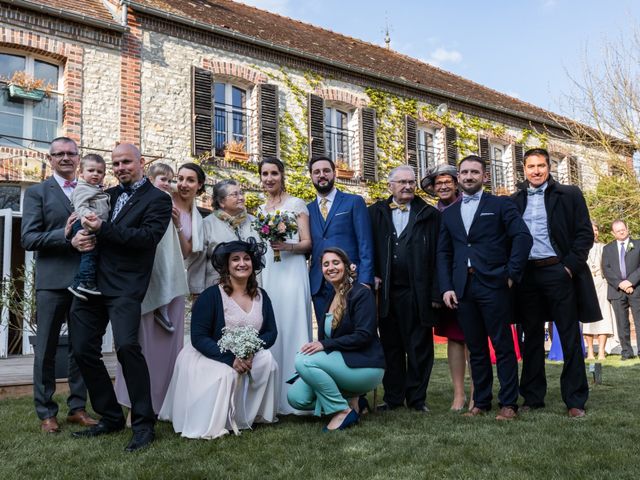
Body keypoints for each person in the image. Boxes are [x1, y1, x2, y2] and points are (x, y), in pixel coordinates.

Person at [69, 143, 172, 452]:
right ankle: (111, 415)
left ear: (141, 162)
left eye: (126, 161)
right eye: (115, 163)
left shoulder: (158, 200)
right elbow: (79, 220)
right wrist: (73, 238)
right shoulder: (108, 194)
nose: (120, 167)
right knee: (81, 348)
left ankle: (143, 424)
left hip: (126, 286)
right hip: (91, 285)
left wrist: (104, 228)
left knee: (127, 347)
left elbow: (146, 239)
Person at [437, 155, 532, 421]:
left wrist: (512, 273)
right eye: (464, 172)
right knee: (475, 348)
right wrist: (446, 287)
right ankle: (481, 402)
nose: (468, 176)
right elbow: (443, 253)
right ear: (459, 177)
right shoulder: (450, 212)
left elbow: (522, 237)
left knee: (502, 346)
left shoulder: (500, 204)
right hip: (462, 288)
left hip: (494, 284)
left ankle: (509, 403)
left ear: (484, 177)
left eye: (474, 172)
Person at [159, 239, 279, 439]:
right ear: (227, 266)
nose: (242, 263)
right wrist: (230, 358)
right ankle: (217, 421)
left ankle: (250, 416)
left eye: (247, 259)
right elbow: (199, 338)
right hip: (209, 354)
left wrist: (250, 351)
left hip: (247, 353)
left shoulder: (261, 296)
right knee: (226, 374)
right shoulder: (211, 296)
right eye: (235, 259)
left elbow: (271, 332)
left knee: (268, 361)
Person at [512, 148, 600, 418]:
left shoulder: (570, 194)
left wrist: (569, 267)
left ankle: (574, 400)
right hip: (528, 275)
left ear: (549, 167)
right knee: (532, 337)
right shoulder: (515, 200)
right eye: (530, 166)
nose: (536, 171)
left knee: (569, 335)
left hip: (559, 272)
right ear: (523, 169)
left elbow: (584, 233)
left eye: (540, 165)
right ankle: (533, 396)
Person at [21, 136, 96, 433]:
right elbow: (28, 238)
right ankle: (46, 412)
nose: (66, 157)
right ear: (50, 159)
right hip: (51, 283)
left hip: (84, 282)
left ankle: (77, 408)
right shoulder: (38, 192)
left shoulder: (89, 189)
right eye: (59, 154)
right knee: (47, 349)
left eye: (71, 153)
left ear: (78, 158)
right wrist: (65, 236)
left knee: (81, 348)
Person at [114, 162, 192, 415]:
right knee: (137, 347)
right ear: (149, 178)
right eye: (162, 179)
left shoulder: (175, 209)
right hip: (143, 282)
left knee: (167, 352)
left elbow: (185, 251)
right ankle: (133, 405)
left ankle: (166, 405)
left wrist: (178, 223)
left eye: (170, 180)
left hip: (171, 282)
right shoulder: (142, 203)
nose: (167, 184)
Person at [288, 248, 385, 431]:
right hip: (342, 365)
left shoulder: (361, 293)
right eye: (326, 264)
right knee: (296, 398)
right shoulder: (330, 298)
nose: (330, 267)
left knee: (303, 360)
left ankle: (341, 411)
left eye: (336, 263)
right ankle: (353, 400)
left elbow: (364, 335)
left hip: (365, 365)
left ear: (347, 267)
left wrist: (324, 344)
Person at [368, 165, 440, 413]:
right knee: (391, 346)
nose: (408, 186)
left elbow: (438, 255)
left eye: (411, 182)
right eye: (402, 182)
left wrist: (435, 291)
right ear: (390, 186)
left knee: (419, 346)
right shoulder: (375, 213)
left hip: (417, 291)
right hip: (387, 291)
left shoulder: (429, 214)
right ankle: (393, 397)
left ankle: (417, 399)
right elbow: (370, 249)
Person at [257, 157, 313, 415]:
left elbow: (307, 243)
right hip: (270, 272)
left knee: (294, 324)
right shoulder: (260, 210)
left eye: (274, 174)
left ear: (282, 175)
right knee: (273, 324)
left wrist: (286, 246)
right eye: (265, 174)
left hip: (292, 271)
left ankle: (299, 396)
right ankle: (273, 397)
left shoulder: (296, 204)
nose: (269, 178)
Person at [421, 163, 473, 411]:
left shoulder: (467, 206)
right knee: (454, 338)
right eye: (438, 183)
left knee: (473, 338)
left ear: (456, 183)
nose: (442, 186)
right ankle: (458, 395)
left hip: (469, 278)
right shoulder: (432, 214)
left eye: (447, 182)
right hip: (443, 282)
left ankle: (477, 393)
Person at [307, 156, 374, 322]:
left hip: (351, 281)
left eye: (326, 171)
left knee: (353, 334)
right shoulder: (307, 209)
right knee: (325, 336)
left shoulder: (354, 202)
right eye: (317, 172)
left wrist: (365, 280)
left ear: (334, 174)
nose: (322, 175)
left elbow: (365, 243)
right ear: (311, 176)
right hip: (319, 284)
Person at [67, 154, 110, 300]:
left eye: (100, 172)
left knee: (92, 254)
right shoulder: (82, 188)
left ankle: (78, 284)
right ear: (81, 173)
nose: (95, 174)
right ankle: (85, 282)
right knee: (89, 254)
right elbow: (80, 206)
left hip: (93, 224)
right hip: (86, 223)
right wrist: (88, 216)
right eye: (91, 170)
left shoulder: (95, 189)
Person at [202, 180, 259, 288]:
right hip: (217, 286)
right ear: (221, 202)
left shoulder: (255, 222)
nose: (241, 197)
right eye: (235, 194)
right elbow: (199, 260)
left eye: (241, 193)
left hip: (251, 287)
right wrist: (197, 290)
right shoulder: (207, 224)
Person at [602, 219, 640, 360]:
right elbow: (606, 269)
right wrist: (621, 284)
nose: (621, 232)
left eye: (623, 229)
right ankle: (626, 352)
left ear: (627, 228)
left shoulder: (638, 244)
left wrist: (630, 282)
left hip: (636, 289)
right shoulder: (607, 249)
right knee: (622, 323)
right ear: (613, 233)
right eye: (618, 230)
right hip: (617, 291)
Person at [582, 222, 615, 360]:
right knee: (587, 321)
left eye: (596, 230)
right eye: (591, 230)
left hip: (602, 285)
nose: (594, 232)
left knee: (604, 318)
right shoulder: (580, 248)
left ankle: (601, 351)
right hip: (585, 286)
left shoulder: (604, 248)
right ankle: (590, 351)